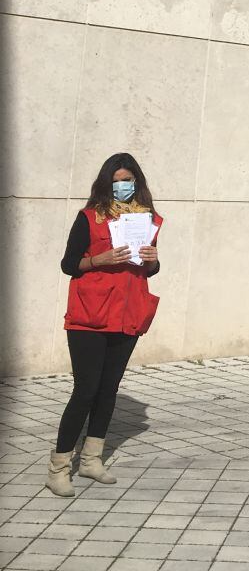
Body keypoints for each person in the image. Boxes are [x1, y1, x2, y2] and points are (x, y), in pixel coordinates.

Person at [47, 153, 163, 497]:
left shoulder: (149, 220)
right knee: (85, 390)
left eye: (127, 180)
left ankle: (92, 459)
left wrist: (154, 261)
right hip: (90, 316)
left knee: (108, 389)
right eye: (115, 181)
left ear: (137, 182)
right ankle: (59, 466)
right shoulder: (88, 218)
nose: (122, 186)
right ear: (105, 184)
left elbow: (148, 268)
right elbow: (69, 264)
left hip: (127, 314)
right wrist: (98, 259)